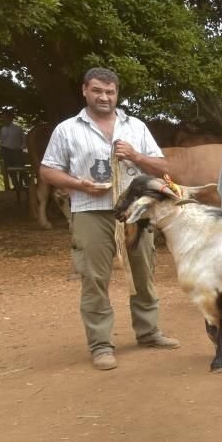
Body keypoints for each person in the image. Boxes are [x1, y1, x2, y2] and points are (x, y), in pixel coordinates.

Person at [39, 67, 180, 370]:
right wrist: (79, 184)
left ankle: (149, 332)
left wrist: (136, 156)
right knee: (94, 279)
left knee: (144, 271)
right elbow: (47, 170)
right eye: (97, 91)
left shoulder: (136, 127)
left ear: (117, 94)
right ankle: (101, 345)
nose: (104, 97)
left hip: (135, 210)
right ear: (85, 91)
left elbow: (163, 167)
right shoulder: (67, 129)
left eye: (110, 91)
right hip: (90, 209)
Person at [0, 110, 27, 191]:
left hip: (16, 152)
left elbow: (24, 140)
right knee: (10, 171)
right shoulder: (2, 129)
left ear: (10, 118)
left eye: (5, 118)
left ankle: (27, 185)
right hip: (5, 151)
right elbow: (2, 141)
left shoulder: (18, 128)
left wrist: (21, 147)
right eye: (2, 118)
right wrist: (1, 151)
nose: (3, 119)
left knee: (21, 169)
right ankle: (16, 186)